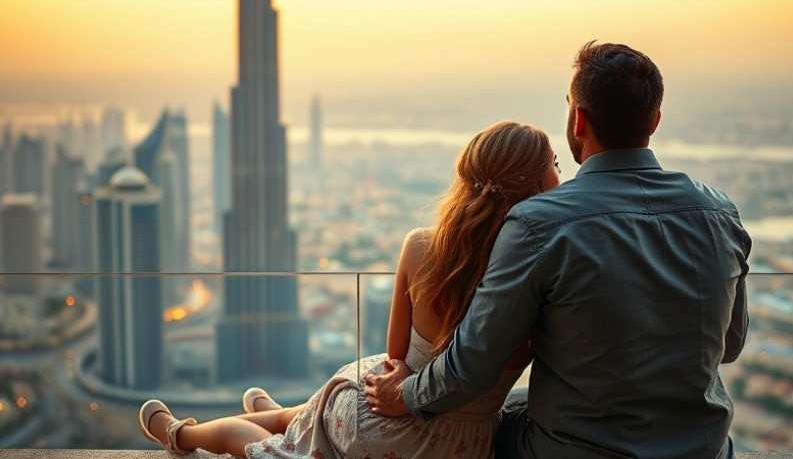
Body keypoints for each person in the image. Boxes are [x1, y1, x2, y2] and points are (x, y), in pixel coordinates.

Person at [365, 42, 751, 459]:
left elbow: (473, 365)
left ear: (578, 119)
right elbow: (729, 345)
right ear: (654, 120)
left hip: (572, 450)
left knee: (491, 420)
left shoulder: (538, 224)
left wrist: (403, 396)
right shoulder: (720, 212)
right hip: (703, 451)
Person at [138, 120, 562, 458]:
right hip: (465, 446)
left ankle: (183, 435)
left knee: (258, 444)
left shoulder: (420, 247)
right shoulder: (540, 280)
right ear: (538, 186)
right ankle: (291, 417)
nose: (561, 172)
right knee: (321, 406)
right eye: (556, 163)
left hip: (383, 431)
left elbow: (395, 356)